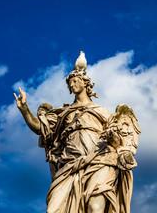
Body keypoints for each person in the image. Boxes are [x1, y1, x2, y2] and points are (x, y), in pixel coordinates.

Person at [14, 58, 140, 213]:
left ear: (85, 83)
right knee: (53, 210)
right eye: (70, 83)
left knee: (96, 207)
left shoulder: (102, 111)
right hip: (69, 165)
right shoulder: (63, 114)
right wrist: (24, 109)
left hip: (99, 161)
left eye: (75, 81)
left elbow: (118, 141)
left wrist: (115, 140)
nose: (72, 85)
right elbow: (41, 128)